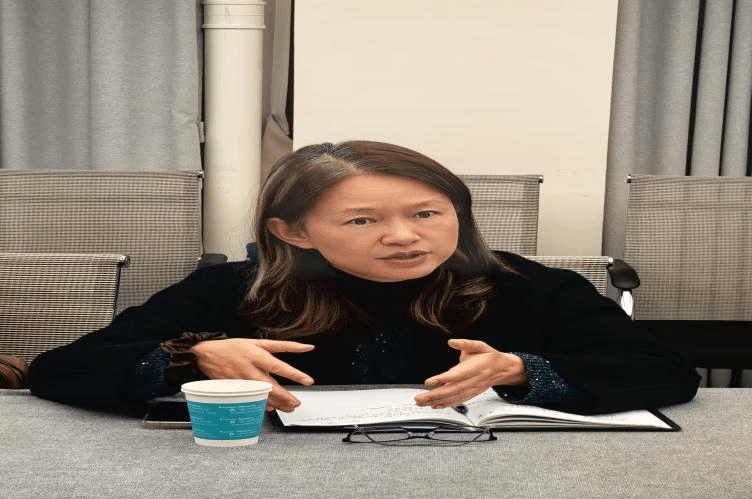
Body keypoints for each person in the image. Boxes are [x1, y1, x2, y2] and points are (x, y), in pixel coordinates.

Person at [28, 140, 700, 414]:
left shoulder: (523, 285)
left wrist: (521, 370)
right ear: (293, 231)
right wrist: (193, 356)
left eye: (428, 213)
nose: (404, 236)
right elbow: (62, 369)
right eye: (362, 220)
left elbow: (666, 372)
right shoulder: (232, 289)